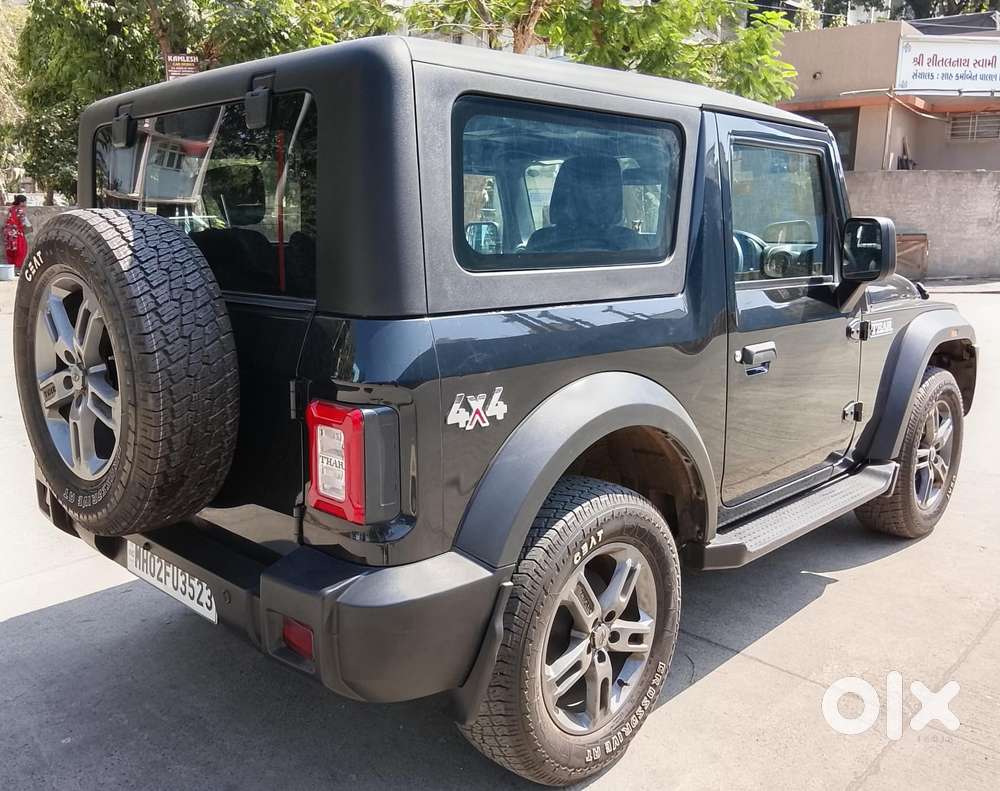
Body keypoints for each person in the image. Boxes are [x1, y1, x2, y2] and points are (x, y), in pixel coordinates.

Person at [4, 194, 31, 275]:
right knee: (21, 250)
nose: (26, 203)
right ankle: (17, 269)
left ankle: (11, 269)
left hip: (8, 233)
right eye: (25, 202)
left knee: (10, 251)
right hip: (16, 233)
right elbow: (24, 223)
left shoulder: (11, 209)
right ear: (21, 203)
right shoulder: (20, 211)